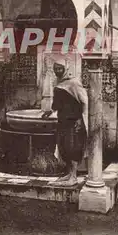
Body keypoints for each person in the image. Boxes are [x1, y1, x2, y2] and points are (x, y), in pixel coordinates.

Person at [43, 57, 88, 186]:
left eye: (60, 68)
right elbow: (58, 103)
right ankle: (69, 174)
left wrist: (81, 119)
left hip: (74, 120)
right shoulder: (58, 82)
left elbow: (84, 102)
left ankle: (73, 177)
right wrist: (50, 111)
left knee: (73, 147)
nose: (57, 71)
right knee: (63, 147)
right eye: (55, 69)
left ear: (65, 68)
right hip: (62, 120)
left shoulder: (73, 83)